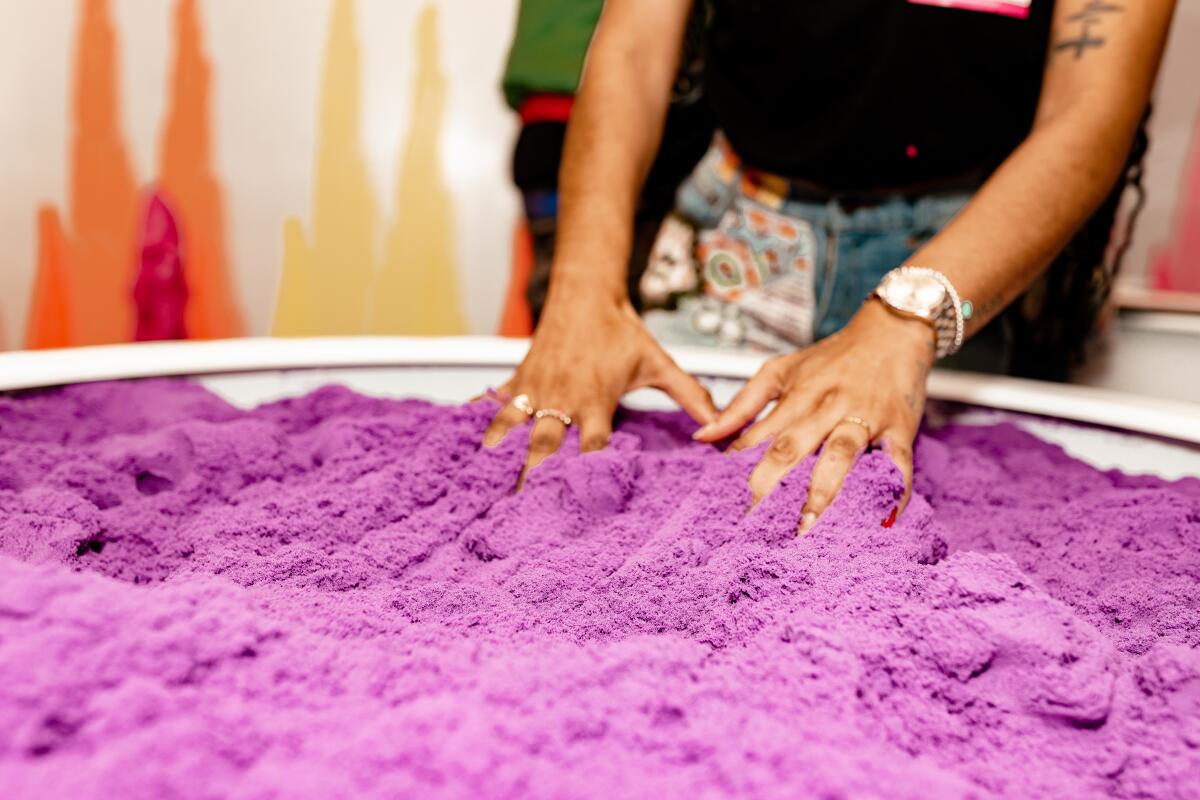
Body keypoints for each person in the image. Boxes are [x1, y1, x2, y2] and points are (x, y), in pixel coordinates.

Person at [484, 0, 1176, 531]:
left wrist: (908, 318)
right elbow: (636, 40)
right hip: (740, 233)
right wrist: (583, 291)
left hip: (978, 247)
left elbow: (1090, 110)